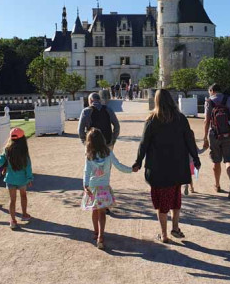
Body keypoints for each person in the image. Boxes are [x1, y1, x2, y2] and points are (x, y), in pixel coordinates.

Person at [133, 89, 201, 243]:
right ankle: (175, 227)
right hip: (177, 166)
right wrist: (195, 158)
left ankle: (164, 234)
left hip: (158, 168)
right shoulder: (180, 118)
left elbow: (144, 143)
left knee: (161, 202)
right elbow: (189, 140)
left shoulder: (152, 120)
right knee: (176, 198)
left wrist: (138, 161)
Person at [82, 128, 133, 249]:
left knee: (94, 210)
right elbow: (119, 165)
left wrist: (85, 185)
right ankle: (101, 235)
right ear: (102, 140)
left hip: (93, 187)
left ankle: (95, 232)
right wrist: (131, 169)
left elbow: (86, 171)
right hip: (104, 187)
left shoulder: (89, 156)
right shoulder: (109, 153)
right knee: (102, 212)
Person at [0, 127, 33, 230]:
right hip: (22, 179)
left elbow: (0, 162)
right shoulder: (24, 151)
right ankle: (25, 214)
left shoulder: (7, 150)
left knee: (12, 200)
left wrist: (2, 158)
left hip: (10, 179)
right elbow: (28, 166)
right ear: (22, 139)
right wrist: (30, 178)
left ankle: (12, 220)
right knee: (23, 196)